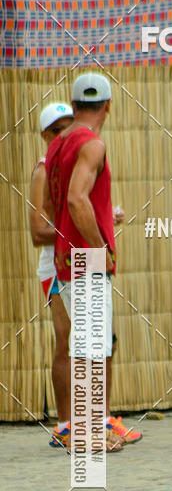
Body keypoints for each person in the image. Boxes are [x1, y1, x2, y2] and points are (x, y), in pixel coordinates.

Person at [43, 72, 141, 451]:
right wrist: (100, 247)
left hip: (65, 257)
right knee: (92, 347)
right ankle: (87, 433)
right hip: (85, 257)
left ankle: (89, 427)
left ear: (74, 105)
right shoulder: (92, 144)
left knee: (86, 344)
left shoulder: (58, 145)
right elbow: (75, 200)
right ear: (108, 105)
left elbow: (56, 206)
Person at [29, 103, 74, 446]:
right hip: (55, 268)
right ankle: (64, 425)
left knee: (100, 340)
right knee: (66, 341)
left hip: (78, 264)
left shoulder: (71, 167)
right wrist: (74, 229)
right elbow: (37, 232)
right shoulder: (44, 170)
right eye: (57, 130)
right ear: (45, 136)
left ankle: (94, 420)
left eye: (68, 127)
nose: (64, 135)